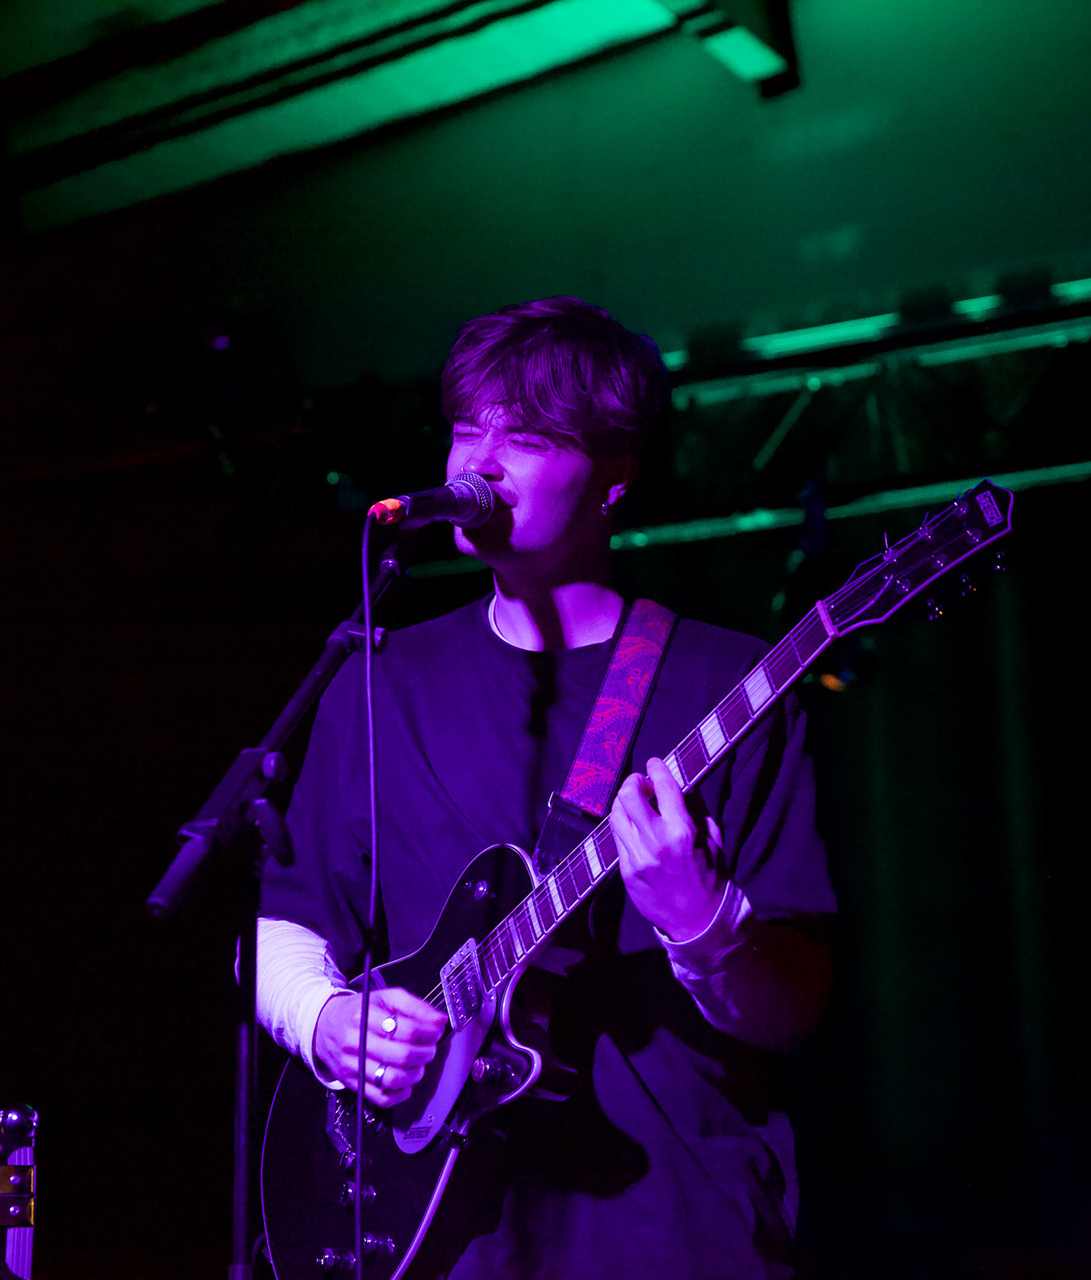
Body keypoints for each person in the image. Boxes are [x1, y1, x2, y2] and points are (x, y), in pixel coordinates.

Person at [256, 296, 837, 1279]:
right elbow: (292, 915)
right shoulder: (380, 680)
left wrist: (700, 921)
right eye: (466, 428)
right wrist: (324, 1020)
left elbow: (796, 1008)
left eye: (524, 438)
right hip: (437, 1241)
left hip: (672, 1231)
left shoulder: (727, 684)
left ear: (616, 477)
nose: (479, 463)